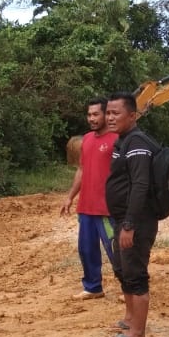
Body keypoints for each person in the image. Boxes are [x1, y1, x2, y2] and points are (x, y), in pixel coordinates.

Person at [102, 91, 160, 337]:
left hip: (135, 223)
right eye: (108, 113)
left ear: (132, 116)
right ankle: (130, 321)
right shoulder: (124, 140)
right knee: (124, 271)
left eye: (116, 113)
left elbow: (140, 186)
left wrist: (129, 225)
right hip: (123, 220)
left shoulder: (137, 143)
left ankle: (137, 335)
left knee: (136, 275)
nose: (110, 117)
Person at [60, 97, 118, 300]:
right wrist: (70, 198)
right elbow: (81, 170)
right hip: (86, 207)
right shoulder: (86, 140)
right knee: (86, 250)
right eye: (89, 115)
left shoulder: (117, 139)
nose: (91, 119)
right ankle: (93, 287)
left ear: (105, 114)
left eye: (96, 114)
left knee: (115, 251)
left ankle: (129, 288)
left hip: (107, 209)